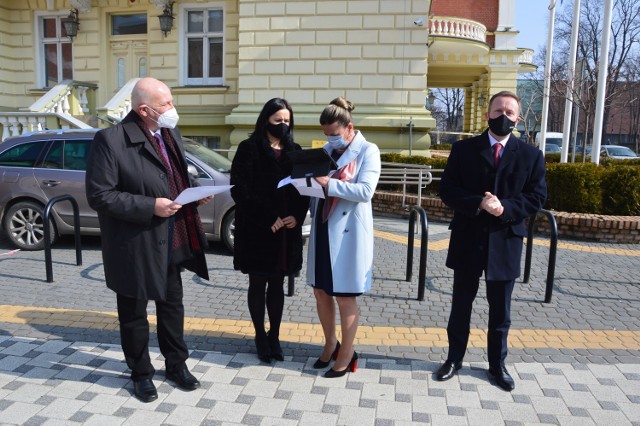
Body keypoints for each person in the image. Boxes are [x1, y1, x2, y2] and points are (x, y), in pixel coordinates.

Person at [85, 77, 211, 403]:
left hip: (171, 238)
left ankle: (176, 365)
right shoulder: (110, 141)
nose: (173, 109)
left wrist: (191, 194)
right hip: (133, 244)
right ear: (144, 110)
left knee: (172, 307)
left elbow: (171, 176)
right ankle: (141, 373)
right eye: (166, 104)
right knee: (134, 315)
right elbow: (100, 195)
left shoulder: (169, 133)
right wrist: (150, 206)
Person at [436, 91, 547, 391]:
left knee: (501, 311)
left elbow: (537, 197)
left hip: (505, 240)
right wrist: (478, 202)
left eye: (510, 112)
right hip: (468, 238)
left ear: (518, 119)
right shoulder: (463, 150)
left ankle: (497, 365)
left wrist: (505, 208)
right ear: (487, 114)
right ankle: (454, 359)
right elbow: (447, 190)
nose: (503, 116)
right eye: (498, 110)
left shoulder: (530, 155)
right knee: (461, 305)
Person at [230, 98, 309, 363]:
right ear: (266, 120)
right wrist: (268, 218)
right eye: (278, 121)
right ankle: (259, 336)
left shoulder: (295, 150)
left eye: (287, 121)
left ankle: (274, 335)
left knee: (278, 284)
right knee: (257, 283)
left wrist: (296, 216)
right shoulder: (249, 148)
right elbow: (240, 189)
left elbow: (303, 189)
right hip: (257, 230)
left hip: (286, 231)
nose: (284, 125)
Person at [309, 97, 381, 378]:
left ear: (349, 128)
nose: (330, 139)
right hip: (324, 228)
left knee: (345, 297)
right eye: (326, 134)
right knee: (321, 291)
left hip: (349, 234)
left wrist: (331, 184)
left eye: (335, 134)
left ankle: (347, 353)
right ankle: (330, 344)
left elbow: (366, 191)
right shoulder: (326, 151)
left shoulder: (368, 150)